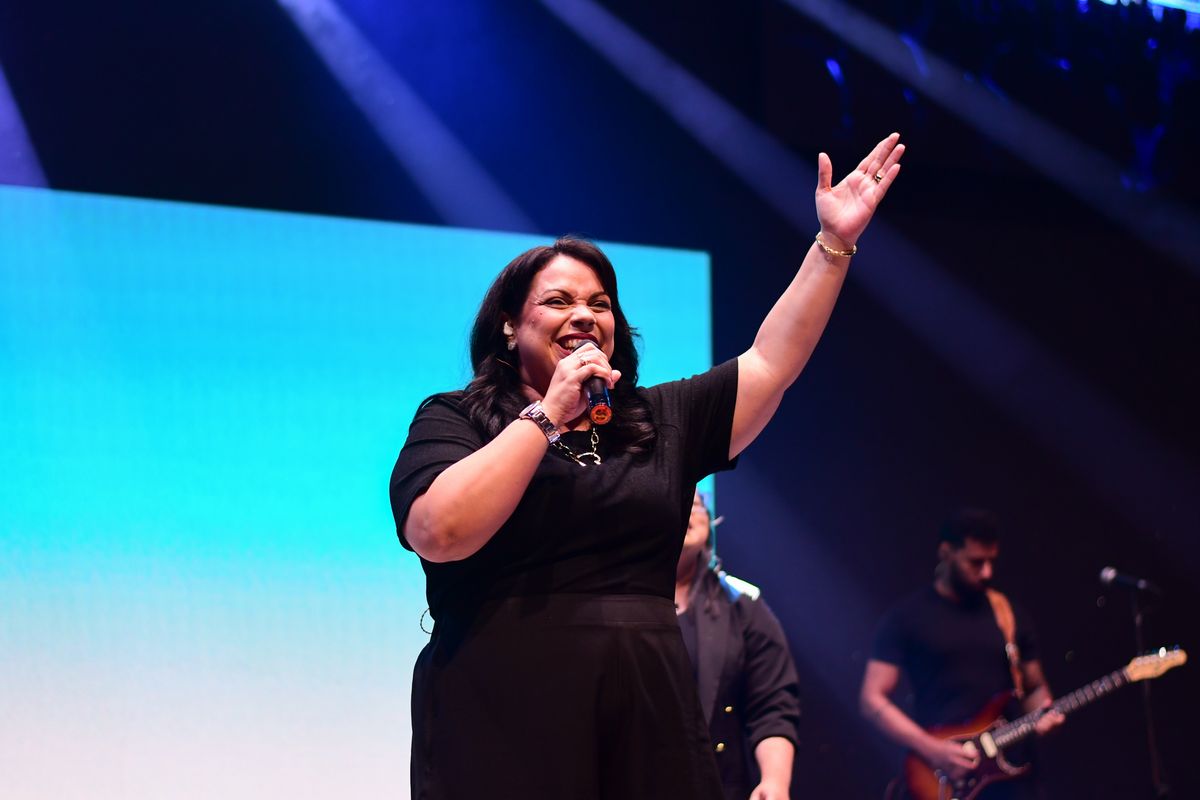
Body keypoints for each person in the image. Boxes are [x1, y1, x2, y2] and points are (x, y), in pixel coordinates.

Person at [390, 133, 905, 799]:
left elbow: (771, 363)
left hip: (647, 715)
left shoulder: (658, 419)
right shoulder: (458, 417)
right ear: (509, 327)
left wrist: (832, 246)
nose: (584, 315)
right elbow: (438, 532)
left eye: (600, 304)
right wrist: (547, 415)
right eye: (558, 301)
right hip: (502, 712)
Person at [859, 508, 1064, 800]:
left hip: (1013, 778)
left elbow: (1034, 687)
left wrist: (1042, 714)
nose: (987, 572)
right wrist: (933, 750)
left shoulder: (1008, 614)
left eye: (991, 562)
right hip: (944, 777)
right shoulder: (906, 618)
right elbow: (872, 699)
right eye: (976, 562)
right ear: (946, 553)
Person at [675, 490, 801, 800]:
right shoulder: (608, 603)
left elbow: (772, 704)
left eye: (696, 504)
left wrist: (774, 780)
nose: (688, 509)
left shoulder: (742, 606)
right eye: (677, 499)